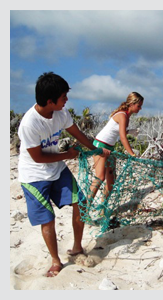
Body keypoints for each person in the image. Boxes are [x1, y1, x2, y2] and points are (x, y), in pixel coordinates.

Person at [17, 72, 111, 277]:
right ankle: (55, 260)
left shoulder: (61, 113)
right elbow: (38, 158)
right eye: (63, 97)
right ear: (50, 101)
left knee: (81, 202)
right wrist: (68, 155)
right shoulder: (29, 124)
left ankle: (77, 247)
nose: (66, 100)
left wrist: (96, 150)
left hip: (57, 169)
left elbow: (78, 135)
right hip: (34, 175)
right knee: (47, 219)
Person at [90, 92, 144, 212]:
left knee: (111, 180)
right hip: (100, 145)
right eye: (139, 106)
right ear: (132, 104)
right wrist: (132, 154)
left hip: (110, 148)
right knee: (100, 177)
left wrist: (130, 131)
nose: (140, 108)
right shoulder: (122, 115)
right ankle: (84, 208)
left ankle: (102, 209)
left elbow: (118, 132)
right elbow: (123, 137)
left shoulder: (126, 116)